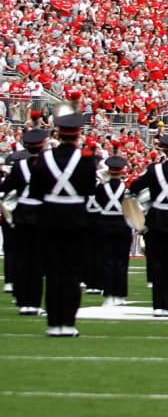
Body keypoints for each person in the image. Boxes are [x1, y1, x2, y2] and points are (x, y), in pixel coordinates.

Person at [30, 111, 95, 337]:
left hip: (49, 221)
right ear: (78, 135)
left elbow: (36, 192)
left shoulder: (43, 159)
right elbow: (89, 190)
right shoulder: (86, 160)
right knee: (72, 273)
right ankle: (68, 322)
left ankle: (54, 322)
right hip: (76, 221)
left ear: (58, 132)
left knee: (53, 272)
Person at [128, 133, 168, 317]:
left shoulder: (153, 170)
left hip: (155, 220)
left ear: (163, 150)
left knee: (156, 263)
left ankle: (157, 305)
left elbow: (134, 187)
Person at [2, 130, 48, 316]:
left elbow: (6, 188)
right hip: (40, 215)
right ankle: (34, 303)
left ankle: (22, 301)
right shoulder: (47, 164)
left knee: (22, 259)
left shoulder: (19, 166)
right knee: (37, 261)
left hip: (21, 215)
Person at [90, 156, 132, 307]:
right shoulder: (127, 188)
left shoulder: (100, 188)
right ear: (122, 171)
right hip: (122, 225)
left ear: (108, 171)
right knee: (121, 261)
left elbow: (94, 208)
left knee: (106, 260)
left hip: (105, 225)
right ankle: (120, 295)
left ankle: (108, 294)